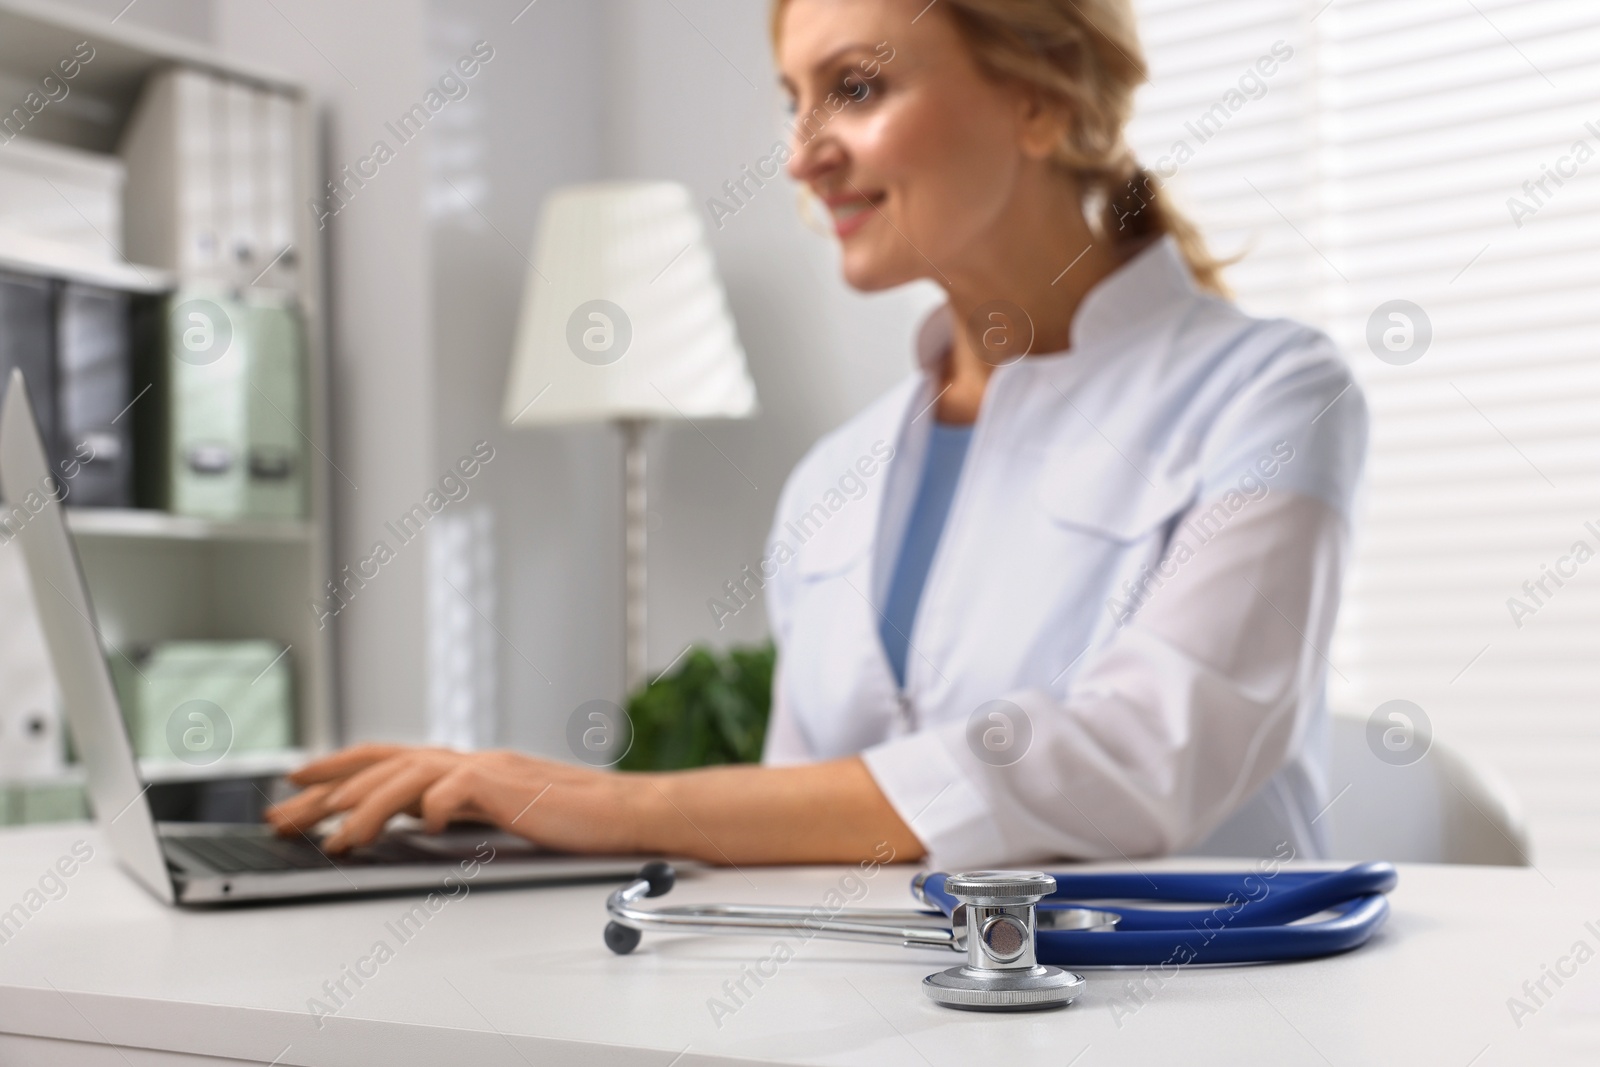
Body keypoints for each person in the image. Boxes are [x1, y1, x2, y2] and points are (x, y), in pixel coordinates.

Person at [267, 0, 1366, 868]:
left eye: (854, 88)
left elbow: (1141, 755)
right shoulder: (834, 478)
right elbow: (798, 832)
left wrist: (616, 802)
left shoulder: (1268, 393)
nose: (801, 155)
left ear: (1041, 97)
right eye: (794, 100)